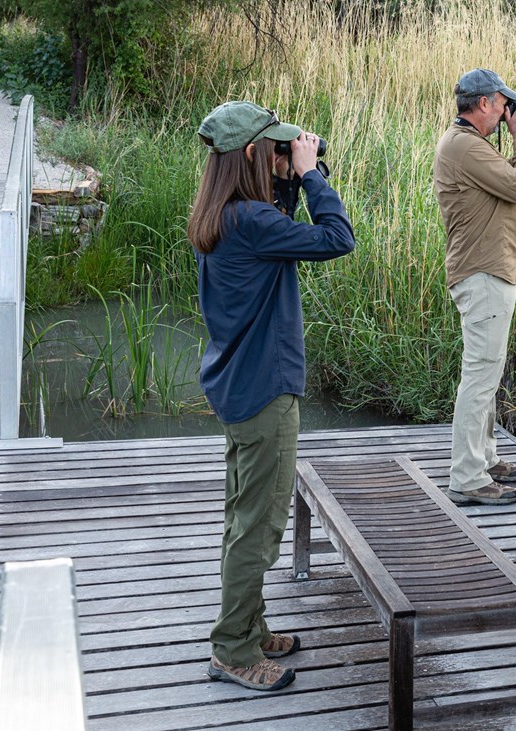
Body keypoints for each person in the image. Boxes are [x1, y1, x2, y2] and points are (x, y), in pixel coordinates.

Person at [187, 100, 356, 691]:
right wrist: (311, 175)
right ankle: (233, 650)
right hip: (265, 394)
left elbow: (277, 228)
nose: (291, 154)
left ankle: (251, 628)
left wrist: (287, 178)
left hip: (237, 387)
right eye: (279, 148)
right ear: (255, 155)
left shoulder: (223, 214)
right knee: (258, 530)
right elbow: (337, 238)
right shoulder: (254, 223)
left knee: (243, 518)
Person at [432, 69, 516, 506]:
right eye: (504, 104)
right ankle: (468, 477)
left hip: (490, 272)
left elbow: (501, 184)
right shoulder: (465, 145)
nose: (509, 112)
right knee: (480, 376)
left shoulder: (468, 145)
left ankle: (484, 459)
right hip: (483, 275)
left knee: (487, 373)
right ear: (484, 103)